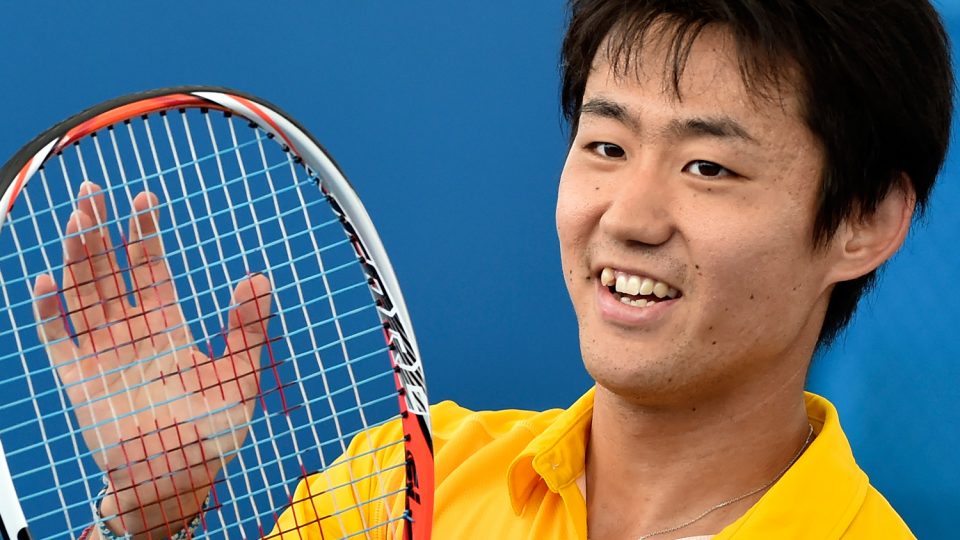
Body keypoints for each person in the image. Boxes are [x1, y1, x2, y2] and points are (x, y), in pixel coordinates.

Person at [39, 1, 952, 538]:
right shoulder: (398, 485)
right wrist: (136, 519)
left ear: (865, 223)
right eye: (604, 144)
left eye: (707, 167)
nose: (627, 217)